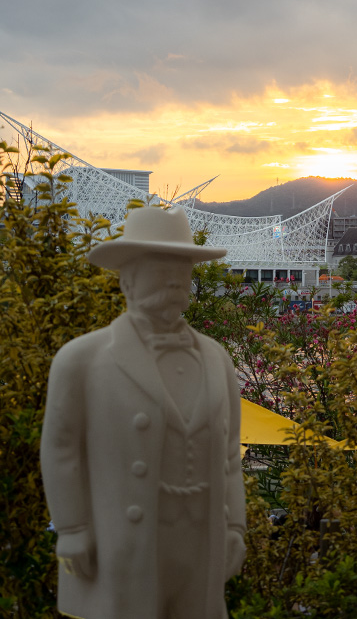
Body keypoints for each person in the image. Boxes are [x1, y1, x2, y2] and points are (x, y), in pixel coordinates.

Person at [41, 206, 246, 619]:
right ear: (127, 278)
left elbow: (228, 456)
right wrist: (73, 528)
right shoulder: (80, 359)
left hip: (200, 543)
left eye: (182, 270)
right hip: (126, 539)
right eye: (159, 269)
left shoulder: (217, 358)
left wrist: (234, 527)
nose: (174, 280)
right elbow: (61, 448)